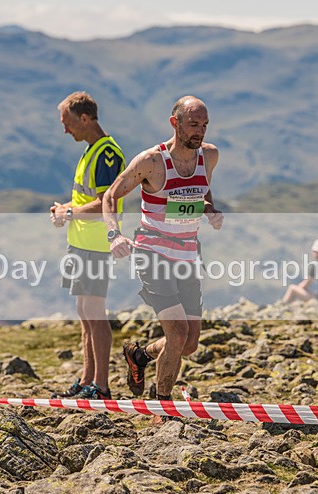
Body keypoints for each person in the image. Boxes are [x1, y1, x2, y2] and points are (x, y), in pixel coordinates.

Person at [103, 95, 223, 419]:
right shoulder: (152, 162)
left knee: (188, 343)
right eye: (194, 124)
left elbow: (202, 188)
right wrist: (114, 234)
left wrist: (209, 209)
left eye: (205, 125)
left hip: (186, 256)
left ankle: (140, 356)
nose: (200, 131)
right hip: (152, 254)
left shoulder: (208, 156)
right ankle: (163, 411)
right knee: (178, 333)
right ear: (175, 123)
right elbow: (111, 194)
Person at [49, 92, 125, 401]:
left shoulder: (107, 153)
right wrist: (65, 209)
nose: (65, 130)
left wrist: (70, 213)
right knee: (84, 311)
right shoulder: (90, 150)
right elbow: (85, 199)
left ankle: (102, 386)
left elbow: (106, 203)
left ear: (85, 118)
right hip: (80, 241)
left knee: (95, 312)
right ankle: (87, 378)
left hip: (95, 244)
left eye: (67, 123)